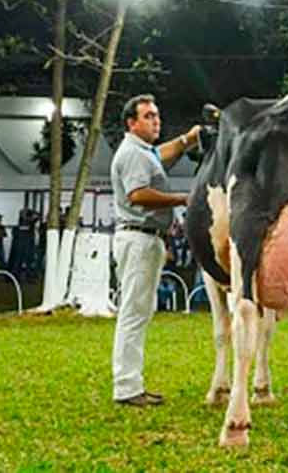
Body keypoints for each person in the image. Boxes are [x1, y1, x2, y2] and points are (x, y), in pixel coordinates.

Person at [110, 93, 200, 407]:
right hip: (139, 237)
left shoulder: (142, 152)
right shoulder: (134, 154)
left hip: (143, 238)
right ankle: (126, 387)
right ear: (131, 123)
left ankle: (131, 383)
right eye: (148, 116)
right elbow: (137, 194)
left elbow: (160, 158)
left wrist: (186, 141)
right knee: (134, 314)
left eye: (157, 115)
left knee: (138, 311)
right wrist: (181, 199)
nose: (156, 120)